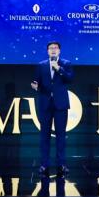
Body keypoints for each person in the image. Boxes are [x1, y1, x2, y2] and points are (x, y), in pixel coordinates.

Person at [31, 40, 73, 176]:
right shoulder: (41, 65)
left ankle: (61, 164)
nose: (53, 50)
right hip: (45, 104)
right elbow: (36, 81)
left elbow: (70, 79)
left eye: (55, 48)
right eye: (50, 48)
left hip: (60, 104)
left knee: (61, 136)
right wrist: (35, 85)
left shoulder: (66, 63)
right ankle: (44, 164)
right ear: (47, 51)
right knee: (44, 136)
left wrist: (59, 69)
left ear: (59, 51)